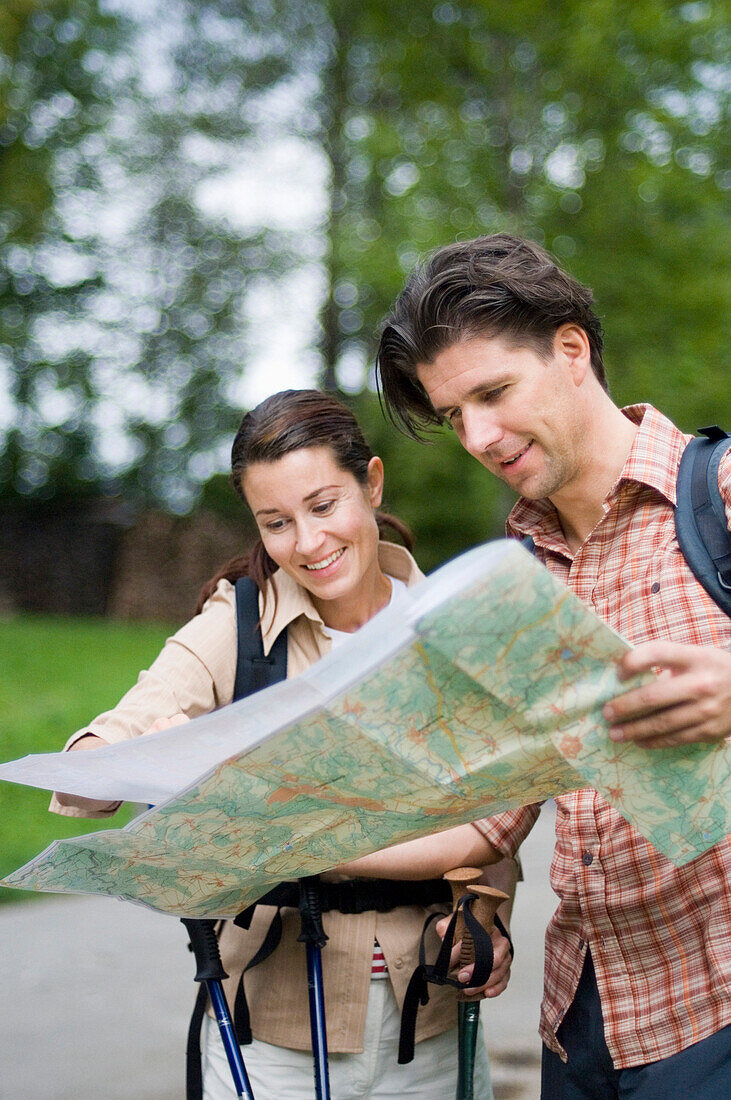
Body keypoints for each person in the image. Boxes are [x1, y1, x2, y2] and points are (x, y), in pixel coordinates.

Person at [51, 388, 515, 1100]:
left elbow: (497, 818)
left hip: (430, 1025)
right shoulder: (234, 625)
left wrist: (487, 921)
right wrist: (149, 766)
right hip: (270, 1038)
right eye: (275, 522)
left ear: (372, 483)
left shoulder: (450, 630)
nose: (307, 542)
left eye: (324, 505)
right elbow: (96, 764)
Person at [375, 234, 731, 1099]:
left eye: (493, 393)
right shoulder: (512, 577)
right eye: (453, 415)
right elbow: (493, 814)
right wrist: (269, 827)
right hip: (582, 1020)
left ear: (570, 350)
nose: (480, 437)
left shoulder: (717, 494)